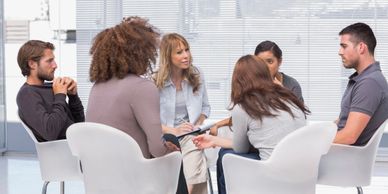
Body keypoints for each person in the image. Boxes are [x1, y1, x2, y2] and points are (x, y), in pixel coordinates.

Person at [85, 17, 188, 194]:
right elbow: (156, 149)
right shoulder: (142, 87)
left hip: (98, 176)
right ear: (141, 53)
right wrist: (169, 150)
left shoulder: (97, 87)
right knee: (171, 145)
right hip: (135, 175)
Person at [192, 55, 309, 194]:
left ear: (238, 81)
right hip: (302, 173)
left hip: (273, 175)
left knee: (224, 156)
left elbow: (241, 148)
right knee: (227, 154)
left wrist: (215, 141)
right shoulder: (289, 99)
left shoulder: (243, 108)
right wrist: (214, 140)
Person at [154, 33, 210, 194]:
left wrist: (196, 125)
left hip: (191, 133)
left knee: (194, 148)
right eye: (179, 52)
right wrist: (174, 131)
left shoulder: (197, 74)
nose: (186, 56)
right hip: (166, 135)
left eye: (187, 50)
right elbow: (149, 120)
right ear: (167, 56)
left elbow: (206, 108)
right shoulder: (154, 81)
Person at [16, 40, 85, 142]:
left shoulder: (52, 88)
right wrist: (60, 95)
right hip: (64, 151)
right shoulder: (27, 94)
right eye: (49, 61)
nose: (55, 65)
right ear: (32, 64)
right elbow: (50, 132)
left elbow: (78, 124)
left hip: (78, 145)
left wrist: (73, 96)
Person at [334, 22, 388, 146]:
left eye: (344, 46)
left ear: (361, 47)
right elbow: (344, 119)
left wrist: (313, 142)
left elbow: (349, 137)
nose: (340, 52)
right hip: (337, 152)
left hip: (342, 156)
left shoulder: (369, 83)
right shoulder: (363, 79)